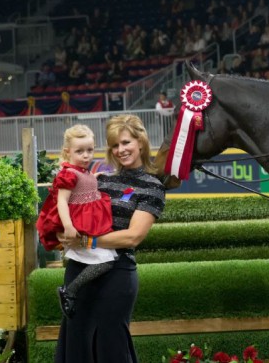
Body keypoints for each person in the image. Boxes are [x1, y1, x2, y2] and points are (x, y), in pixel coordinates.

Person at [54, 115, 166, 363]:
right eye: (115, 145)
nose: (120, 150)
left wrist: (87, 242)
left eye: (125, 143)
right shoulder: (100, 180)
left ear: (140, 142)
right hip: (79, 270)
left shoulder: (153, 186)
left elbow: (133, 237)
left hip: (117, 274)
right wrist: (62, 231)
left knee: (111, 344)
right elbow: (67, 207)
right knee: (76, 340)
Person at [37, 125, 115, 319]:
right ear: (67, 152)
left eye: (89, 150)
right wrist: (68, 226)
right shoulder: (69, 173)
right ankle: (69, 291)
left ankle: (72, 291)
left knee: (107, 259)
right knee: (105, 262)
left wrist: (94, 178)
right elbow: (62, 200)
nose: (86, 155)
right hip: (79, 227)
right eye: (79, 151)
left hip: (89, 224)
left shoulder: (83, 172)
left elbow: (84, 183)